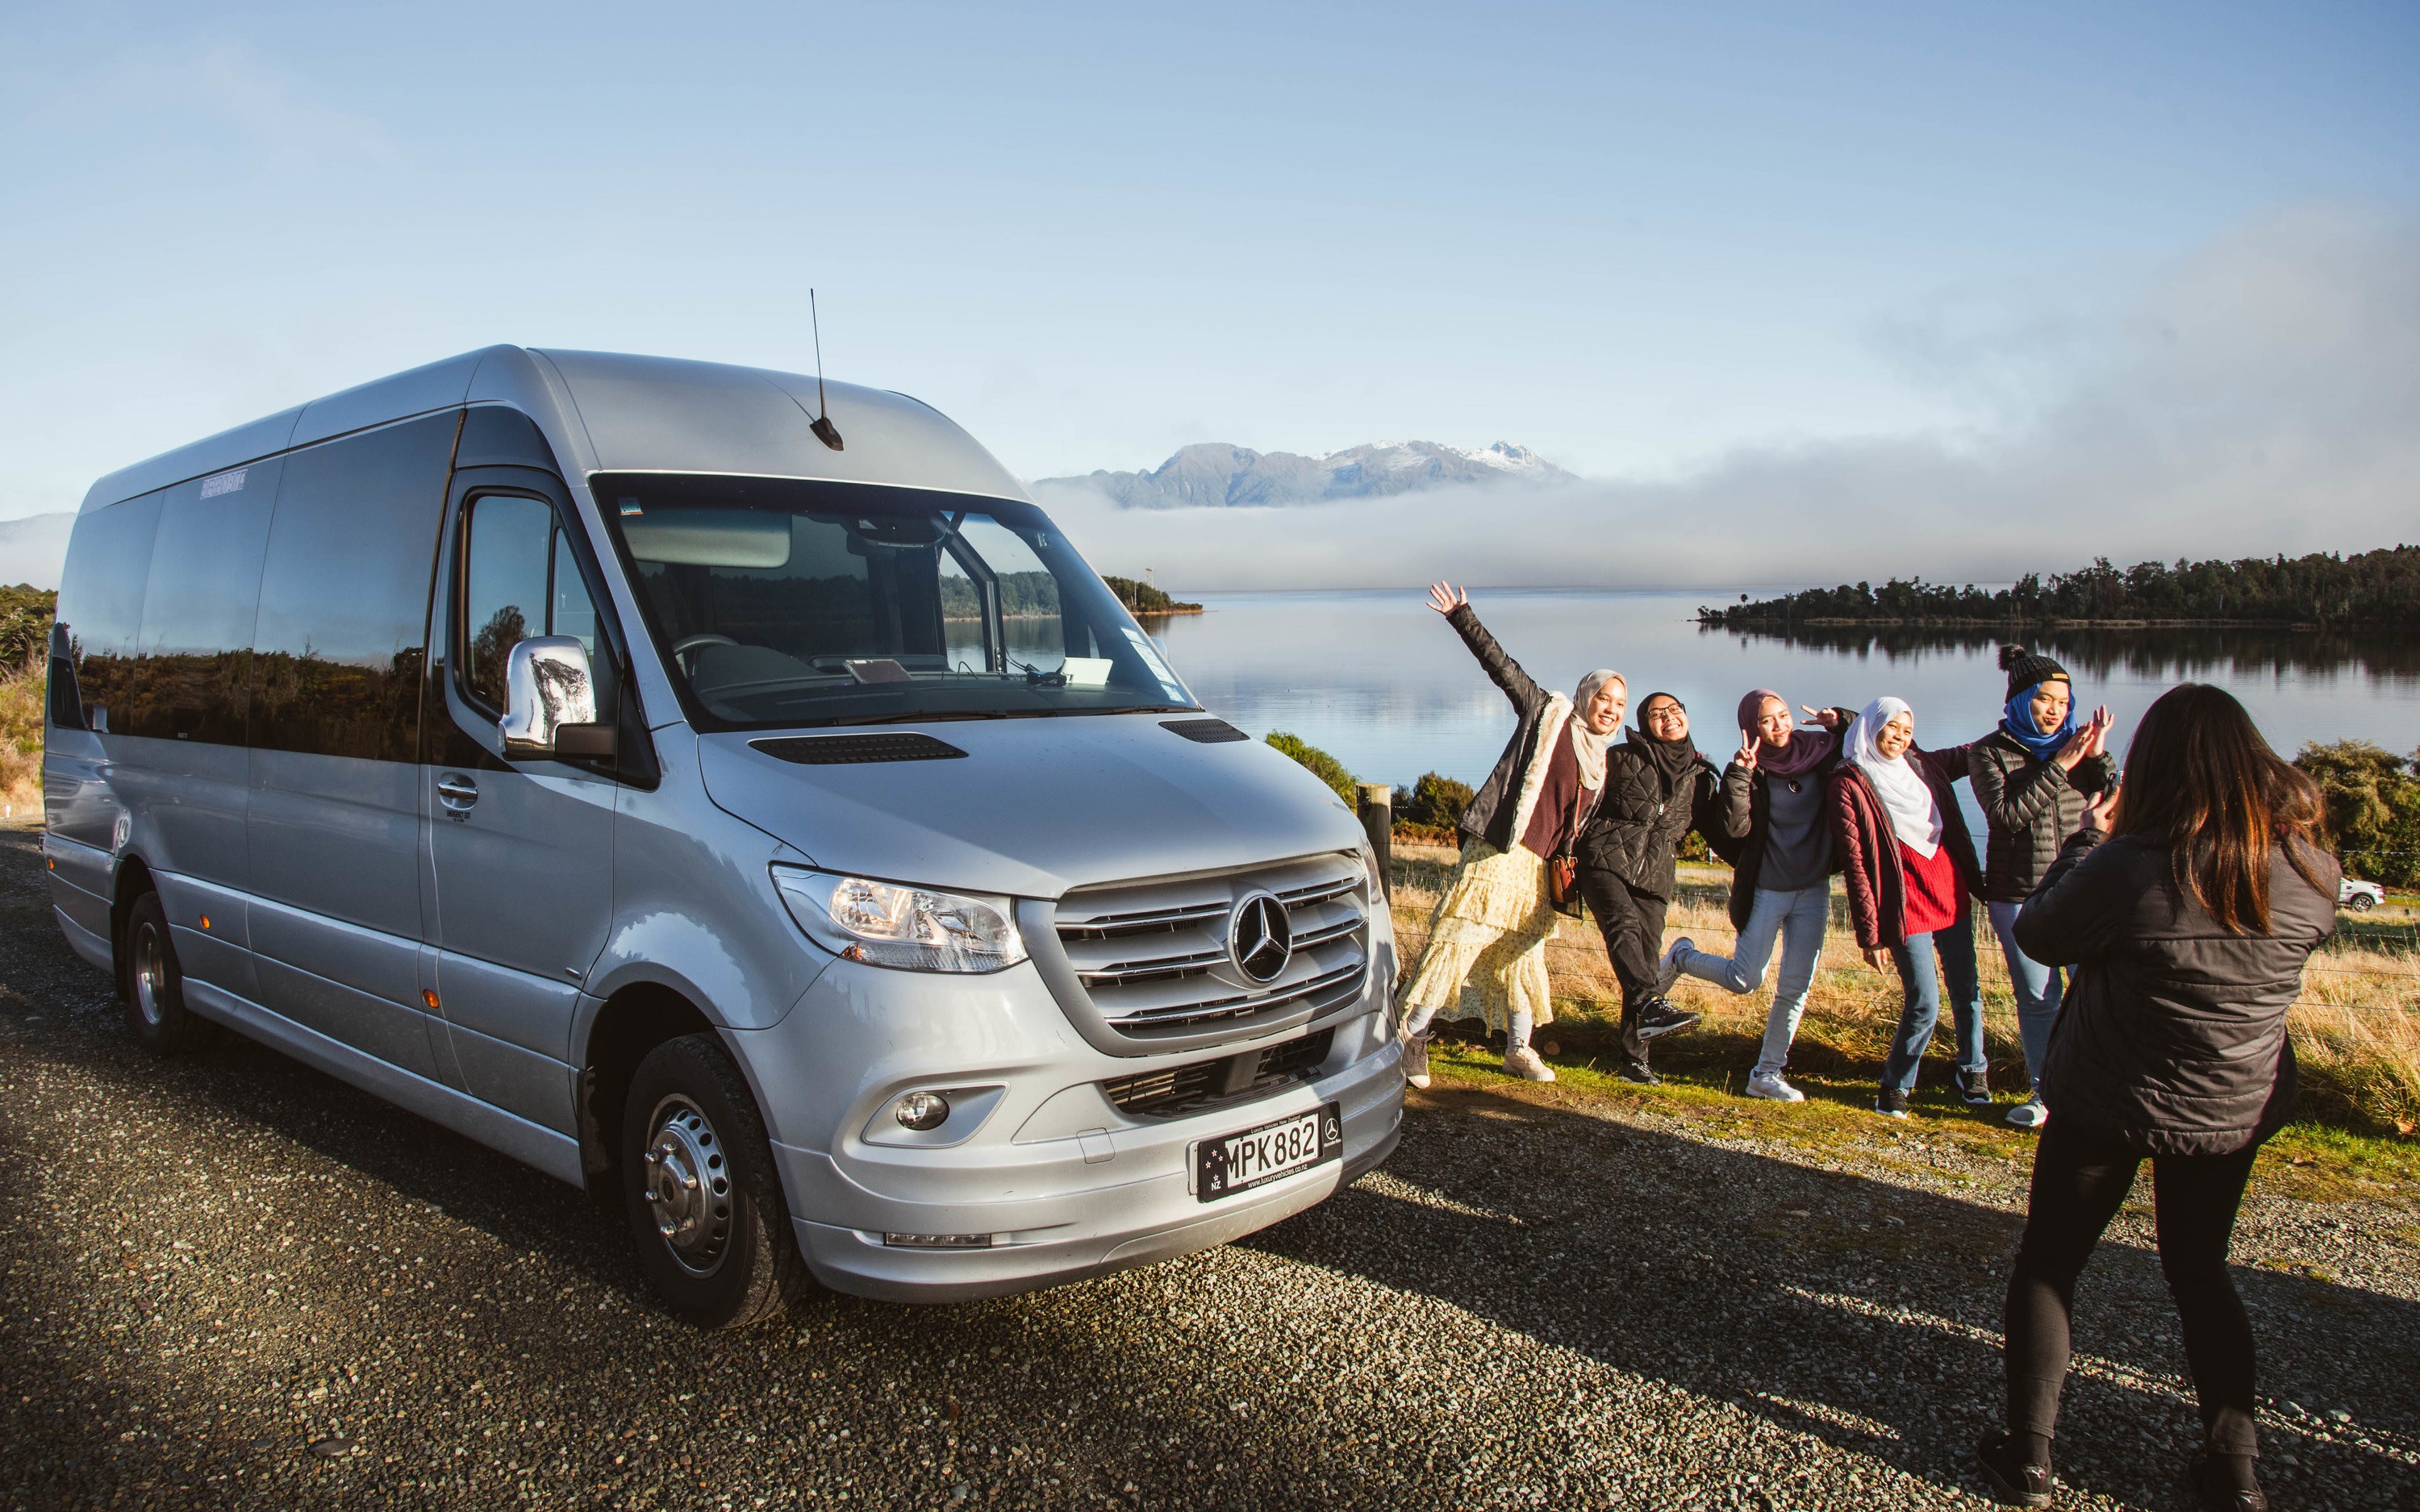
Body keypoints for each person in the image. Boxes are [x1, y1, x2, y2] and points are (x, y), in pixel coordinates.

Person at [1977, 685, 2334, 1512]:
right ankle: (2234, 1472)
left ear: (2161, 765)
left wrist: (2086, 838)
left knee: (2051, 1262)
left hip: (2109, 1095)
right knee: (2201, 1271)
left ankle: (2029, 1457)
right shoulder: (2311, 870)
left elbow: (2039, 931)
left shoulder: (2136, 863)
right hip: (2231, 1101)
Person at [1397, 583, 1620, 1085]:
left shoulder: (1603, 761)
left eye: (1619, 704)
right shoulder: (1548, 713)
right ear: (1586, 695)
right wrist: (1462, 615)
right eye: (1604, 697)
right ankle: (1411, 1033)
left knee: (1524, 954)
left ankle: (1518, 1049)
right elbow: (1501, 667)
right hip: (1500, 852)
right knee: (1458, 939)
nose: (1610, 708)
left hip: (1540, 869)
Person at [1660, 691, 1853, 1102]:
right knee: (1744, 979)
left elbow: (1876, 736)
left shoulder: (1820, 753)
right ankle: (1681, 958)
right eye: (1768, 720)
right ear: (1752, 728)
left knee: (1796, 987)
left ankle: (1766, 1074)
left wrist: (1841, 720)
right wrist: (1740, 775)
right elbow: (1733, 829)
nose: (1780, 725)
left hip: (1814, 890)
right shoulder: (1752, 768)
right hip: (1768, 888)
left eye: (1783, 715)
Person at [1971, 644, 2116, 1131]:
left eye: (2063, 701)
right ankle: (2045, 1094)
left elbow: (2113, 802)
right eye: (2044, 699)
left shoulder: (2077, 747)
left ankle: (2097, 1090)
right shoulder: (1988, 752)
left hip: (2082, 888)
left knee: (2094, 993)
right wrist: (2059, 766)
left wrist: (2097, 757)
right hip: (2017, 895)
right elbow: (2006, 817)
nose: (2055, 710)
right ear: (2020, 699)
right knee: (2038, 999)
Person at [1827, 697, 1988, 1118]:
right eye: (1891, 728)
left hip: (1949, 889)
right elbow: (1856, 865)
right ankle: (1895, 1085)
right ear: (1872, 729)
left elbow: (1971, 753)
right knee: (1923, 1001)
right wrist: (1870, 935)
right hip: (1903, 901)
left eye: (1907, 730)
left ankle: (1972, 1069)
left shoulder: (1922, 764)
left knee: (1967, 989)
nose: (1899, 737)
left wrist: (2027, 729)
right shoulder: (1850, 781)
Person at [1575, 690, 1725, 1085]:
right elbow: (1582, 797)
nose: (1669, 717)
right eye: (1658, 713)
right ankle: (1651, 1005)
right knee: (1622, 927)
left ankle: (1634, 1061)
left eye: (1675, 709)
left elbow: (1727, 831)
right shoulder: (1621, 756)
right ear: (1645, 724)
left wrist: (1741, 776)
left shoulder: (1701, 776)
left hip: (1655, 877)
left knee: (1642, 962)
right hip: (1604, 857)